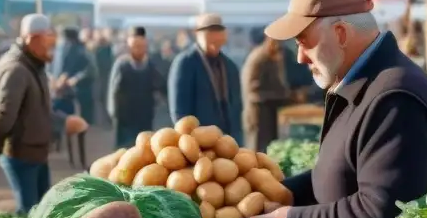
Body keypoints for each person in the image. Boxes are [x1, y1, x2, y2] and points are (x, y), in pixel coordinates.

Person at [252, 0, 427, 218]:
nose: (299, 57)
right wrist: (282, 193)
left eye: (304, 41)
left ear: (341, 33)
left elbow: (379, 213)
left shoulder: (394, 98)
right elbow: (342, 173)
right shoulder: (359, 82)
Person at [0, 14, 87, 214]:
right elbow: (2, 116)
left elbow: (39, 109)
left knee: (41, 212)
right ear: (32, 39)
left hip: (37, 153)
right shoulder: (16, 69)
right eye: (48, 41)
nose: (52, 47)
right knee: (29, 214)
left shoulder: (35, 65)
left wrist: (63, 121)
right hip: (21, 154)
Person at [169, 13, 242, 141]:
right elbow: (179, 112)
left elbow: (236, 107)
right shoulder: (185, 63)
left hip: (226, 139)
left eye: (218, 42)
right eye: (210, 41)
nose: (214, 46)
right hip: (197, 140)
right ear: (198, 34)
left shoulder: (230, 66)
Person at [108, 27, 164, 148]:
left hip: (145, 116)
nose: (138, 49)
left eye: (141, 46)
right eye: (135, 46)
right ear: (129, 47)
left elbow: (161, 86)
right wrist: (115, 114)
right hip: (125, 118)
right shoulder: (122, 65)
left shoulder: (151, 65)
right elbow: (114, 92)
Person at [241, 36, 291, 153]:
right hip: (258, 115)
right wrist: (283, 96)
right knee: (257, 152)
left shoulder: (273, 56)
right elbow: (252, 91)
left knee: (270, 152)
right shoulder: (259, 57)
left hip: (269, 113)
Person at [51, 27, 95, 124]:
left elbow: (90, 70)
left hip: (77, 91)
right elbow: (55, 68)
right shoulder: (58, 49)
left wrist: (74, 79)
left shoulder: (81, 50)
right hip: (60, 91)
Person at [91, 30, 114, 125]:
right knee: (103, 100)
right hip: (105, 78)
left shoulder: (99, 51)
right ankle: (106, 120)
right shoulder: (107, 50)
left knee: (102, 100)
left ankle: (105, 121)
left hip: (102, 78)